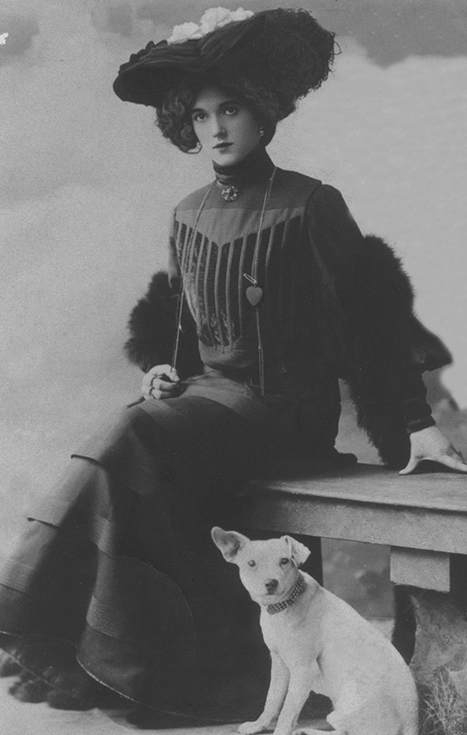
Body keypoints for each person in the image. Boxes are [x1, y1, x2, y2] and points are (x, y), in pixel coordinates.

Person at [0, 5, 466, 725]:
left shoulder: (311, 204)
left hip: (285, 414)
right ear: (184, 124)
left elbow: (371, 316)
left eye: (231, 109)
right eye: (201, 115)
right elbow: (183, 327)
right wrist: (164, 370)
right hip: (208, 402)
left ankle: (43, 624)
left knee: (136, 433)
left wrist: (416, 421)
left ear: (263, 112)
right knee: (134, 425)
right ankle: (82, 648)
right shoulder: (186, 213)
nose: (216, 128)